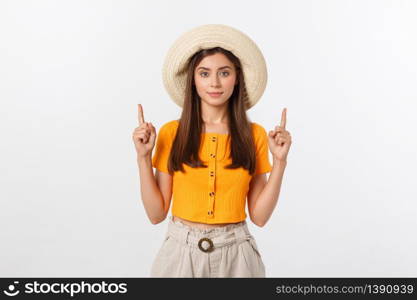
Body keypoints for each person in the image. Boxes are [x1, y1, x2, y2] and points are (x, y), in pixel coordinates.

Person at [132, 24, 292, 277]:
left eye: (224, 73)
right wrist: (143, 158)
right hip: (180, 255)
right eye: (204, 73)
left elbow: (260, 217)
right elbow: (156, 214)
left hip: (237, 256)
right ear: (193, 79)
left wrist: (280, 162)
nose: (215, 83)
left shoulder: (255, 135)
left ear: (237, 78)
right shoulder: (172, 133)